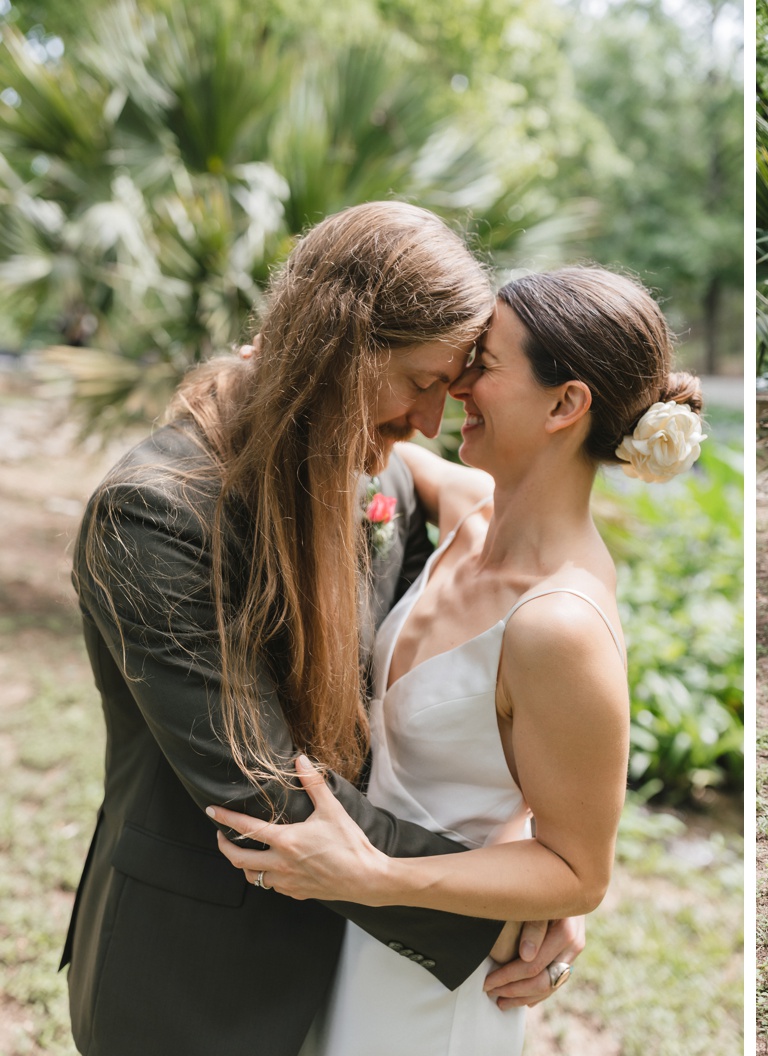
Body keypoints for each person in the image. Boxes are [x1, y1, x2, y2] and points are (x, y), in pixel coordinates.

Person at [65, 202, 578, 1056]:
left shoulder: (368, 463)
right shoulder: (153, 518)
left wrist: (526, 875)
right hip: (198, 983)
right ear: (337, 351)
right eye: (420, 384)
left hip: (359, 974)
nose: (426, 424)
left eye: (447, 391)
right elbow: (261, 793)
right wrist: (511, 910)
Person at [208, 266, 706, 1055]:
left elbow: (581, 872)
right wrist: (290, 372)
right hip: (338, 941)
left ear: (566, 404)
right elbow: (383, 445)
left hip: (432, 979)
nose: (457, 384)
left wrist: (376, 878)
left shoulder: (559, 624)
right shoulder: (473, 512)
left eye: (485, 362)